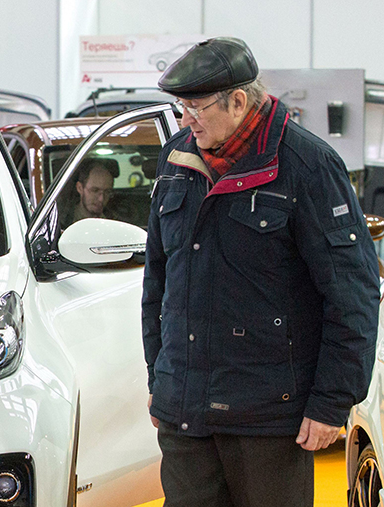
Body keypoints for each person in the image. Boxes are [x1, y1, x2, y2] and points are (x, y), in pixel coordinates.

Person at [142, 37, 379, 506]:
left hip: (269, 419)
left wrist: (331, 402)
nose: (185, 120)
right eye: (180, 107)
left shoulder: (308, 166)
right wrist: (160, 378)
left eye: (195, 107)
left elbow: (352, 295)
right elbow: (157, 280)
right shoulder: (176, 160)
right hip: (186, 413)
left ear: (237, 101)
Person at [59, 157, 118, 229]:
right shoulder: (62, 223)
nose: (101, 199)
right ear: (80, 188)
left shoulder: (115, 223)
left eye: (107, 192)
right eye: (95, 190)